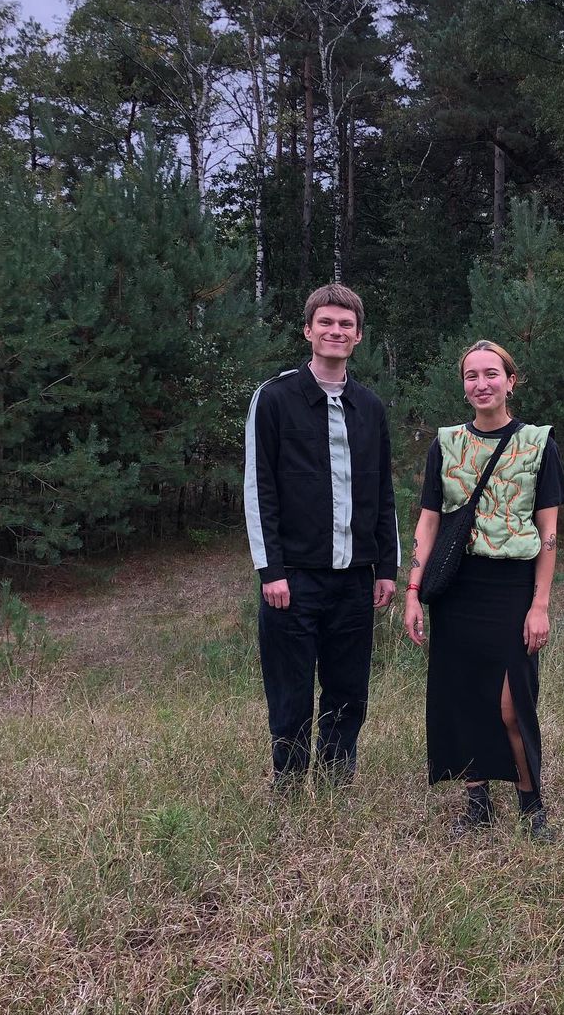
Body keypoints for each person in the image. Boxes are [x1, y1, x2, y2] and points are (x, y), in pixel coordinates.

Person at [404, 340, 564, 840]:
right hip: (458, 587)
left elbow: (548, 531)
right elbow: (429, 519)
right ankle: (477, 802)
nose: (482, 384)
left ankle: (531, 805)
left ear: (510, 381)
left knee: (510, 704)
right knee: (464, 695)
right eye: (471, 376)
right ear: (464, 386)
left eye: (491, 374)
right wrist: (413, 590)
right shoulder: (446, 444)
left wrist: (540, 604)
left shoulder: (538, 444)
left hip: (512, 587)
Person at [244, 284, 399, 789]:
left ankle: (335, 783)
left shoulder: (369, 406)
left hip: (355, 579)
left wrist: (387, 567)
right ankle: (289, 785)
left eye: (345, 324)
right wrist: (271, 570)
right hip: (292, 579)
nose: (336, 331)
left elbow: (382, 491)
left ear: (358, 336)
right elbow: (258, 487)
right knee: (290, 690)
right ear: (308, 331)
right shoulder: (275, 398)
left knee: (348, 690)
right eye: (326, 323)